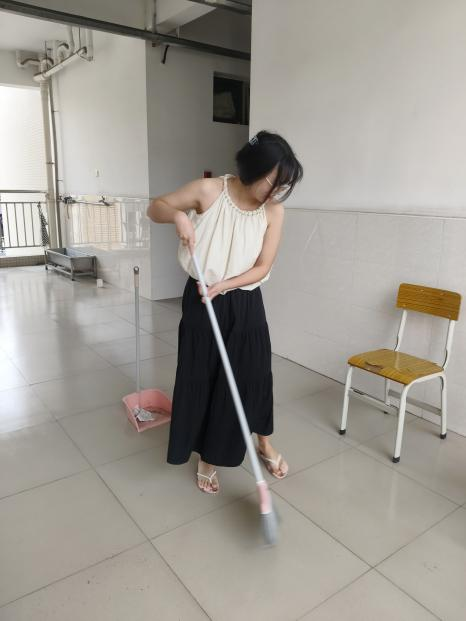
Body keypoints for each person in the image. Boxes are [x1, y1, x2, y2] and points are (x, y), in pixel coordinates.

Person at [147, 130, 303, 494]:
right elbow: (155, 207)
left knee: (254, 376)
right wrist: (178, 216)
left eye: (284, 185)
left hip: (245, 299)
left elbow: (263, 266)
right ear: (254, 169)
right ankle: (209, 456)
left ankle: (263, 443)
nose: (277, 191)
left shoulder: (274, 211)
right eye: (274, 182)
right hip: (203, 298)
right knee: (206, 377)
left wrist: (227, 285)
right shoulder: (209, 191)